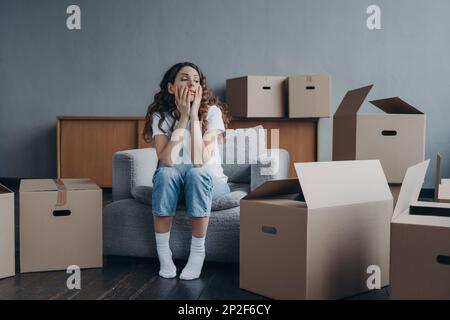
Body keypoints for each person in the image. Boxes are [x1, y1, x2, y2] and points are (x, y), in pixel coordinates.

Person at [143, 62, 232, 280]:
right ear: (171, 88)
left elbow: (199, 160)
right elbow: (167, 159)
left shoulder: (212, 113)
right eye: (184, 78)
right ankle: (164, 254)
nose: (191, 83)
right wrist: (182, 118)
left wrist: (193, 116)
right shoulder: (161, 117)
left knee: (196, 173)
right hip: (173, 182)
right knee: (165, 173)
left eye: (196, 79)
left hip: (209, 182)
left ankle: (197, 254)